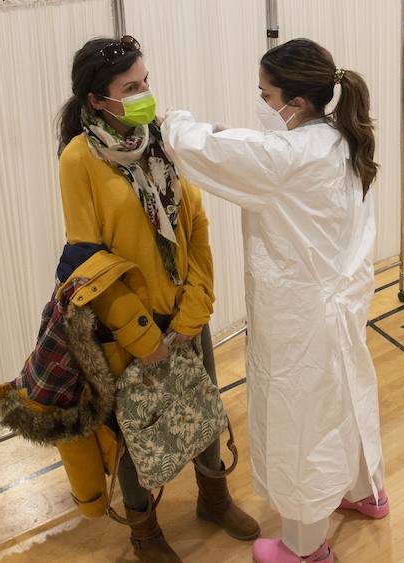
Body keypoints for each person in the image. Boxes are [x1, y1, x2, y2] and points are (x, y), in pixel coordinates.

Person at [161, 39, 388, 563]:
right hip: (342, 302)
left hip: (302, 314)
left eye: (266, 96)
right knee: (346, 396)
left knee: (302, 418)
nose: (264, 104)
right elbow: (251, 150)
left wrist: (173, 122)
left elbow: (217, 155)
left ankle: (305, 547)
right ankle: (362, 492)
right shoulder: (339, 137)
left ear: (297, 102)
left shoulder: (286, 158)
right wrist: (219, 133)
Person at [54, 36, 259, 561]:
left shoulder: (163, 139)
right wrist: (142, 336)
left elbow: (197, 229)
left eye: (146, 81)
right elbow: (87, 261)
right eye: (131, 87)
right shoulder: (79, 160)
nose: (145, 94)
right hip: (126, 330)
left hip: (186, 316)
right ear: (98, 100)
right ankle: (143, 530)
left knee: (202, 411)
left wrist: (194, 313)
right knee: (135, 432)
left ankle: (214, 497)